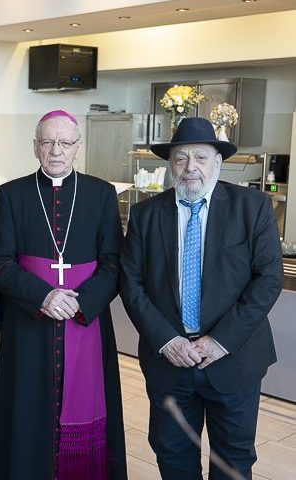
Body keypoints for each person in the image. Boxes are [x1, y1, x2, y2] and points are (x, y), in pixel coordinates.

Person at [120, 117, 283, 479]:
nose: (190, 167)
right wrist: (167, 340)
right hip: (169, 363)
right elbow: (131, 284)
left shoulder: (252, 207)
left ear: (218, 162)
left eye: (200, 157)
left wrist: (220, 340)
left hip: (234, 359)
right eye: (180, 158)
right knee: (173, 457)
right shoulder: (146, 215)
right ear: (170, 164)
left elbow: (268, 280)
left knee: (233, 461)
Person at [0, 110, 127, 479]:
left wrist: (82, 301)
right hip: (28, 322)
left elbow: (114, 262)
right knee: (26, 412)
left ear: (78, 146)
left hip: (86, 320)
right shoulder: (11, 194)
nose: (56, 151)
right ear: (35, 146)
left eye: (65, 142)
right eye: (47, 142)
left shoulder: (101, 193)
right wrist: (43, 297)